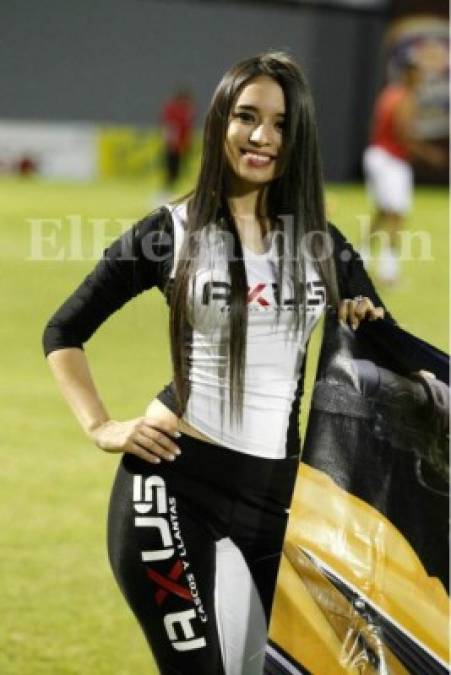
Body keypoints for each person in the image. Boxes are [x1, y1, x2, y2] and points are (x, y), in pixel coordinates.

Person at [43, 51, 391, 675]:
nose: (262, 137)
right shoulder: (170, 232)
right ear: (220, 123)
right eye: (246, 117)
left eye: (281, 124)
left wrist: (365, 318)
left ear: (300, 134)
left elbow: (377, 354)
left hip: (281, 502)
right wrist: (102, 426)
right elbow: (64, 329)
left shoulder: (320, 244)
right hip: (174, 488)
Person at [362, 59, 447, 284]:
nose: (421, 80)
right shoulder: (406, 98)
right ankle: (389, 273)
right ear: (409, 75)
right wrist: (430, 155)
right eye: (419, 75)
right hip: (391, 160)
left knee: (382, 212)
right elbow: (404, 135)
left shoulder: (389, 93)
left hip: (376, 155)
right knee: (396, 217)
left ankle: (358, 261)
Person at [160, 88, 195, 192]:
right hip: (174, 146)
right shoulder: (173, 110)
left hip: (182, 145)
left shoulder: (188, 110)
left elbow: (188, 129)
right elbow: (170, 127)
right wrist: (171, 143)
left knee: (179, 171)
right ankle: (165, 192)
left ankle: (169, 191)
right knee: (172, 171)